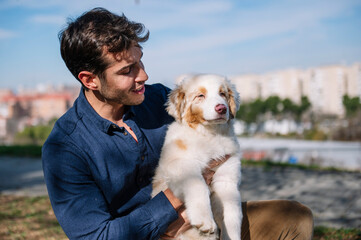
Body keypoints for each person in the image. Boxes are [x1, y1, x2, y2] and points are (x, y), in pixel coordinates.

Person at [42, 7, 314, 240]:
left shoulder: (159, 98)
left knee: (294, 217)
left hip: (205, 218)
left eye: (140, 61)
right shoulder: (65, 148)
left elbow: (213, 114)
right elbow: (97, 237)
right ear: (90, 80)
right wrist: (175, 202)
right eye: (127, 71)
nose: (143, 76)